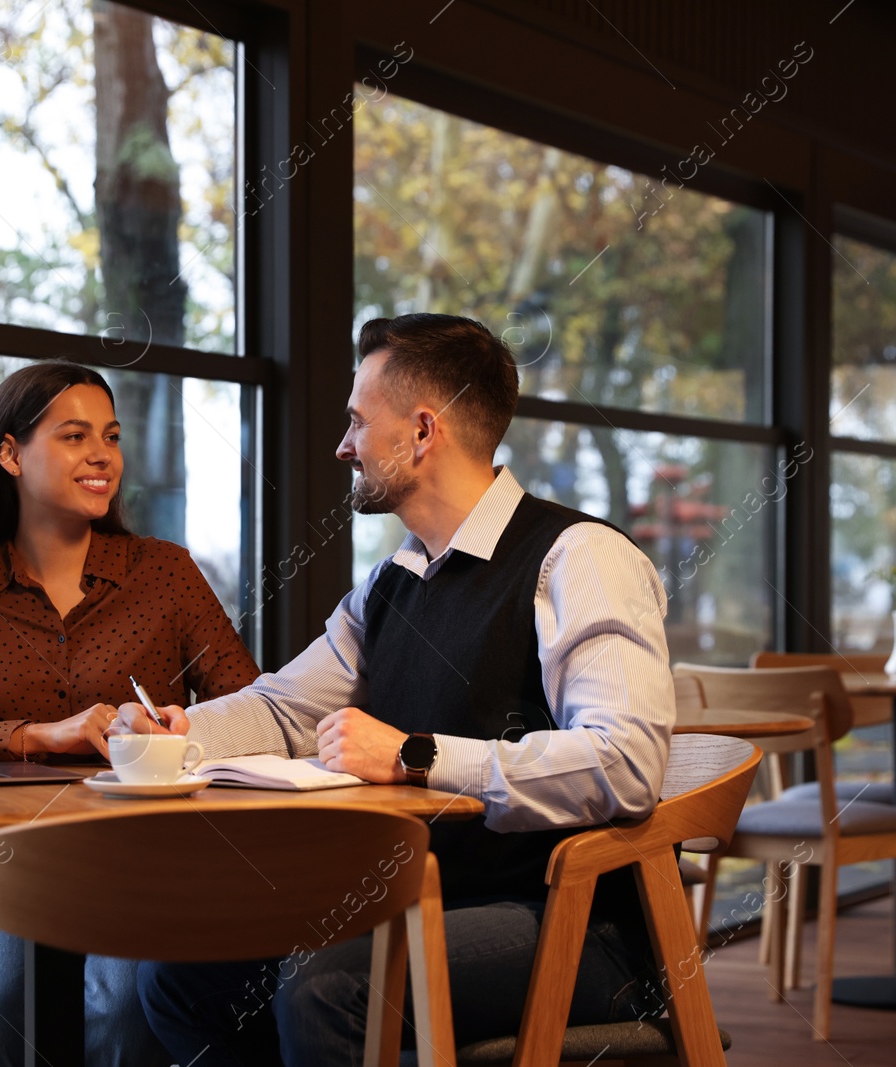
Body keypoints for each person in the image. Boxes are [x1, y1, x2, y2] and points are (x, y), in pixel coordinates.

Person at [117, 313, 675, 1065]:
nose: (344, 445)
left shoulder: (578, 558)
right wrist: (176, 733)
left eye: (356, 421)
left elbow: (624, 764)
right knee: (183, 976)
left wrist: (416, 755)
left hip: (580, 926)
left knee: (323, 983)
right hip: (426, 901)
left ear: (421, 431)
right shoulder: (392, 583)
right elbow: (285, 706)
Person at [0, 359, 261, 1067]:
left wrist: (184, 730)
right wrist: (32, 736)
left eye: (110, 437)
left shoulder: (166, 573)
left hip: (144, 862)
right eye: (74, 435)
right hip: (4, 866)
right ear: (10, 453)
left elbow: (257, 708)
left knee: (126, 1008)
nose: (101, 456)